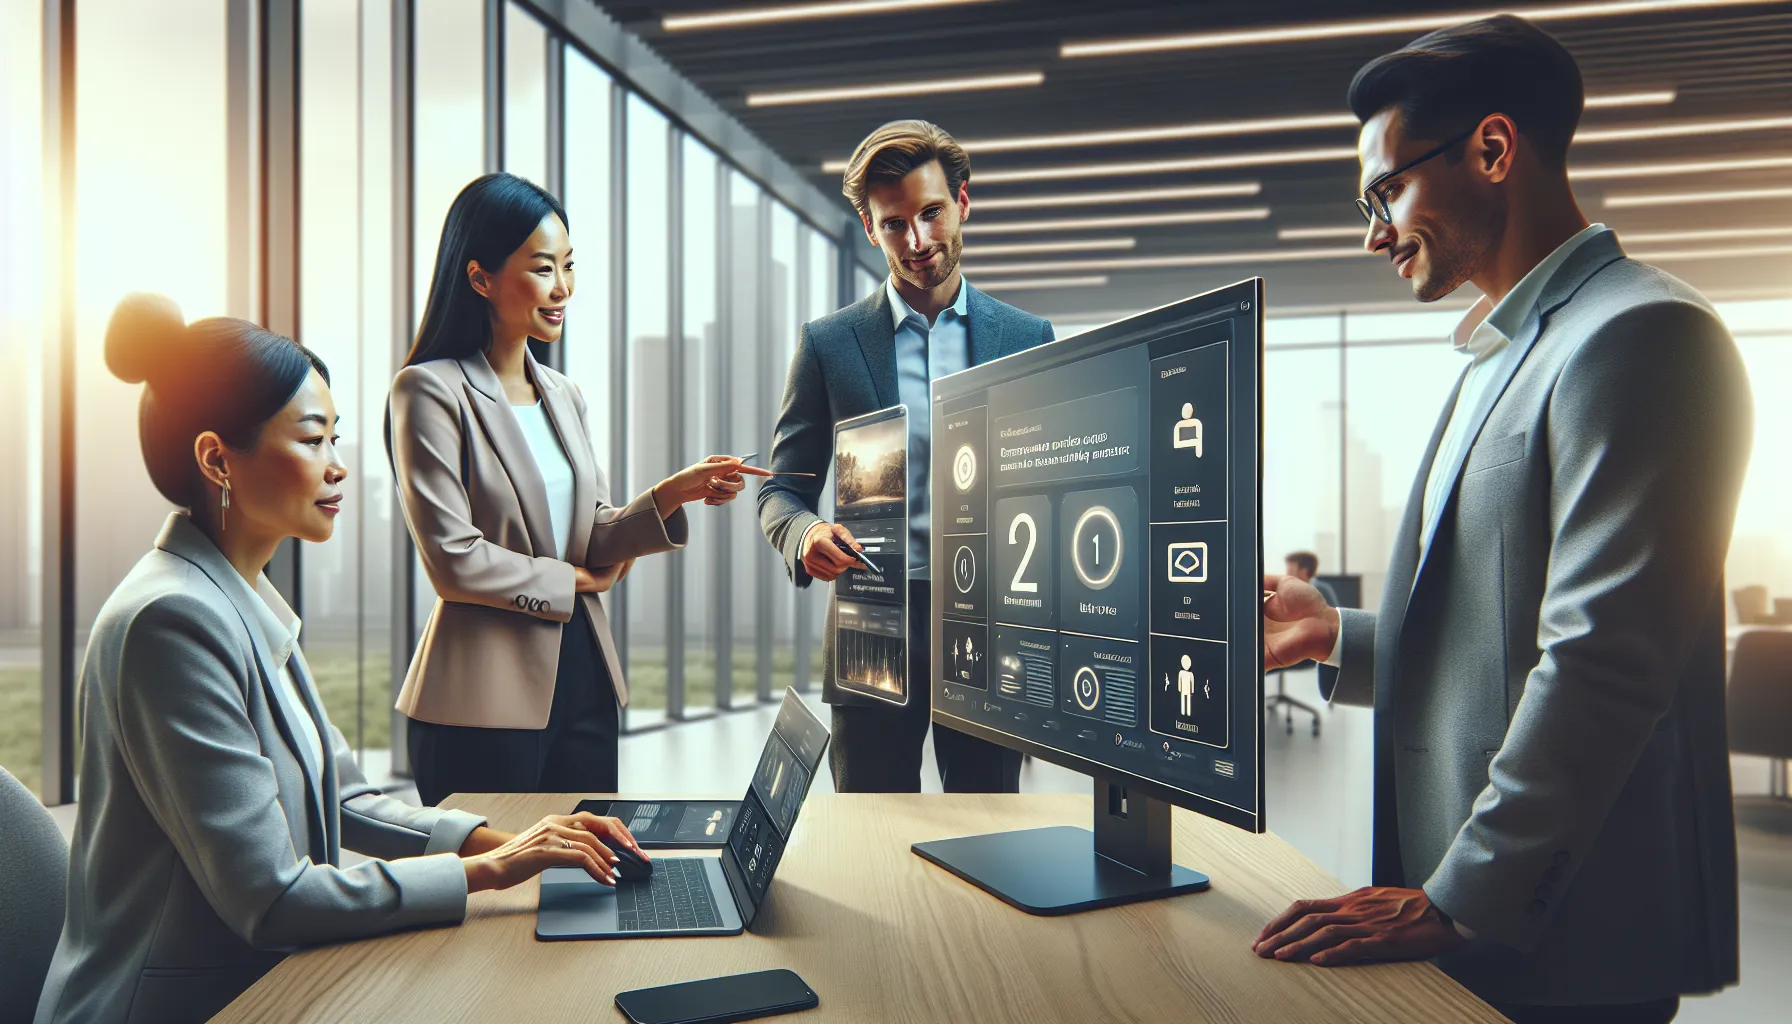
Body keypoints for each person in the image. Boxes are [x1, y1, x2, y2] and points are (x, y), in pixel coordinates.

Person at [1252, 16, 1750, 1023]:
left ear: (1490, 149)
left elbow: (1604, 662)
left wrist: (1458, 899)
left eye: (1386, 192)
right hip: (1475, 917)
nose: (1373, 233)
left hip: (1564, 934)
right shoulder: (1503, 354)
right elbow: (1495, 638)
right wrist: (1334, 631)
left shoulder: (1642, 333)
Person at [35, 294, 644, 1024]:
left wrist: (520, 843)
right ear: (217, 458)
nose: (338, 468)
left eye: (336, 439)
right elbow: (272, 898)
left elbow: (347, 800)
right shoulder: (172, 622)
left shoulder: (238, 598)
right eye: (313, 441)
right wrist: (490, 871)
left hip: (271, 985)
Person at [389, 173, 768, 807]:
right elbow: (453, 560)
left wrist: (673, 494)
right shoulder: (429, 390)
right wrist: (573, 582)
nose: (563, 287)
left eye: (569, 265)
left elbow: (591, 532)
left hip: (586, 676)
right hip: (483, 698)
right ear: (480, 278)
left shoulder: (564, 395)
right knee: (504, 870)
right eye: (543, 268)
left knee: (592, 860)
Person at [759, 120, 1053, 792]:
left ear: (963, 203)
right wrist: (804, 534)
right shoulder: (829, 344)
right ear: (870, 227)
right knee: (869, 822)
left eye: (931, 213)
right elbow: (782, 489)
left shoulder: (1026, 338)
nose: (917, 241)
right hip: (871, 619)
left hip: (990, 617)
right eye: (894, 224)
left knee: (987, 822)